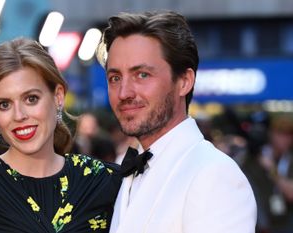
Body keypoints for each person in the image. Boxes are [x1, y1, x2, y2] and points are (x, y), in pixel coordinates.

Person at [0, 38, 121, 233]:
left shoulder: (102, 180)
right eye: (4, 104)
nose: (19, 115)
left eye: (31, 99)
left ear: (58, 97)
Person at [96, 10, 257, 233]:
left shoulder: (214, 175)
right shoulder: (129, 170)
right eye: (115, 78)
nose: (124, 92)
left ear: (184, 81)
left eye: (142, 75)